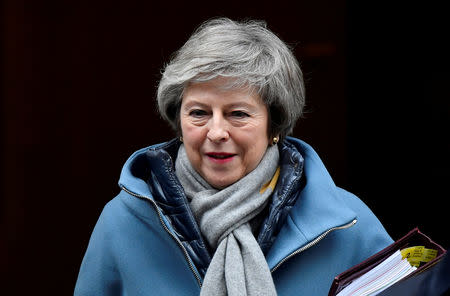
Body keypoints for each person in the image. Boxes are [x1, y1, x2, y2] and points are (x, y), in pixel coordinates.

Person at [74, 18, 393, 296]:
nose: (216, 132)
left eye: (237, 114)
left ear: (275, 126)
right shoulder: (123, 222)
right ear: (179, 122)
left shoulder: (347, 225)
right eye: (199, 113)